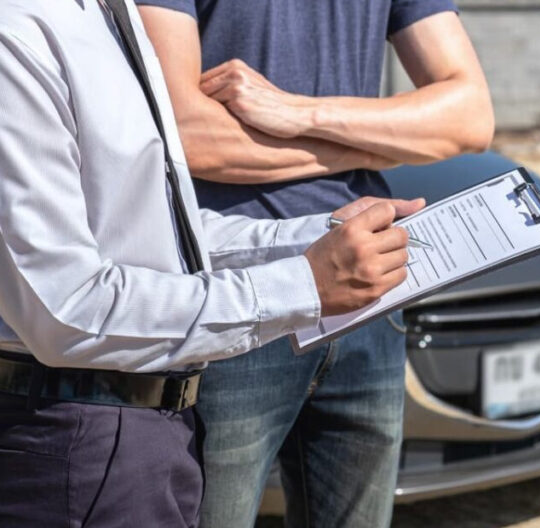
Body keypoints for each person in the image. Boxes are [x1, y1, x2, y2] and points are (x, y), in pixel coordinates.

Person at [0, 1, 423, 526]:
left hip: (154, 430)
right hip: (72, 435)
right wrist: (303, 284)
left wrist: (317, 236)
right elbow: (66, 310)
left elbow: (161, 233)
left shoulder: (107, 14)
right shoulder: (15, 33)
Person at [135, 2, 494, 526]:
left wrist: (302, 113)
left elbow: (470, 117)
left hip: (371, 288)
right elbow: (184, 133)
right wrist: (374, 147)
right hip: (237, 292)